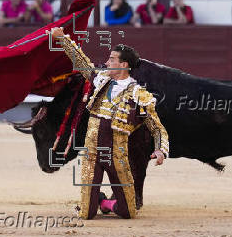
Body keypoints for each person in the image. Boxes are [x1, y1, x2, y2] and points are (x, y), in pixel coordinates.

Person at [49, 27, 169, 220]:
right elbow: (82, 63)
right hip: (93, 152)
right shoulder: (101, 80)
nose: (106, 62)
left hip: (117, 155)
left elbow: (157, 127)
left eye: (111, 59)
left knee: (128, 212)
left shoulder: (139, 95)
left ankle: (104, 202)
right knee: (86, 214)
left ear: (123, 64)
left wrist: (161, 150)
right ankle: (93, 201)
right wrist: (63, 39)